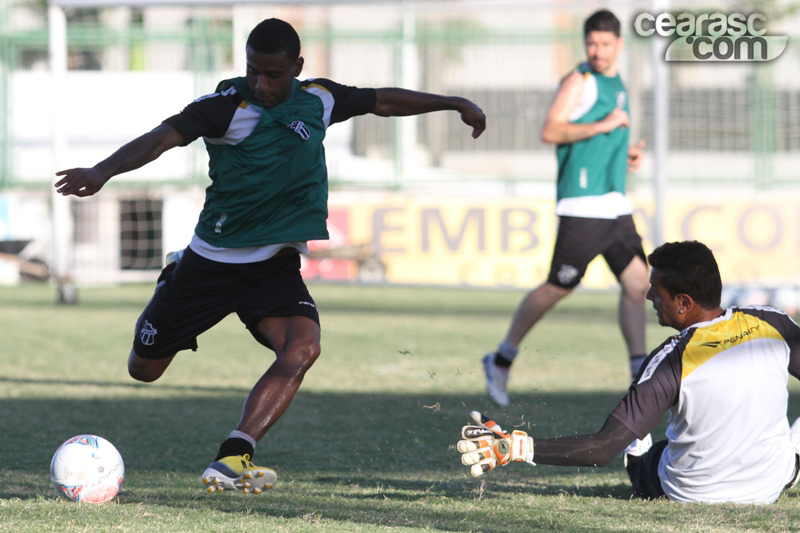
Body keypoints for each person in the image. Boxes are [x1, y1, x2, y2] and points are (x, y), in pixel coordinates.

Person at [55, 18, 486, 494]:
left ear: (296, 67)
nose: (261, 84)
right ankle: (171, 278)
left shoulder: (319, 98)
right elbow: (161, 138)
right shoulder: (224, 107)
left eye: (273, 74)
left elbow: (382, 101)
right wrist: (101, 171)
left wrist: (453, 103)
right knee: (143, 370)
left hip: (273, 265)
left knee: (303, 347)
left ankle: (233, 455)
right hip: (210, 264)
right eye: (252, 71)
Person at [459, 240, 800, 503]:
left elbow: (603, 447)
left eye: (656, 289)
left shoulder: (672, 359)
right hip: (770, 485)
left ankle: (637, 457)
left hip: (692, 493)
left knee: (645, 455)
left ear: (683, 303)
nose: (648, 295)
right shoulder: (773, 322)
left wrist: (516, 447)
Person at [482, 9, 648, 407]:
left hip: (614, 203)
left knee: (638, 284)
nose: (597, 50)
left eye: (605, 43)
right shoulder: (579, 80)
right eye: (591, 43)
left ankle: (640, 373)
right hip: (584, 204)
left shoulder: (617, 83)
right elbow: (551, 129)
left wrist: (626, 152)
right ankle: (501, 359)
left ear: (619, 44)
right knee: (559, 285)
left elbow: (604, 137)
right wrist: (602, 127)